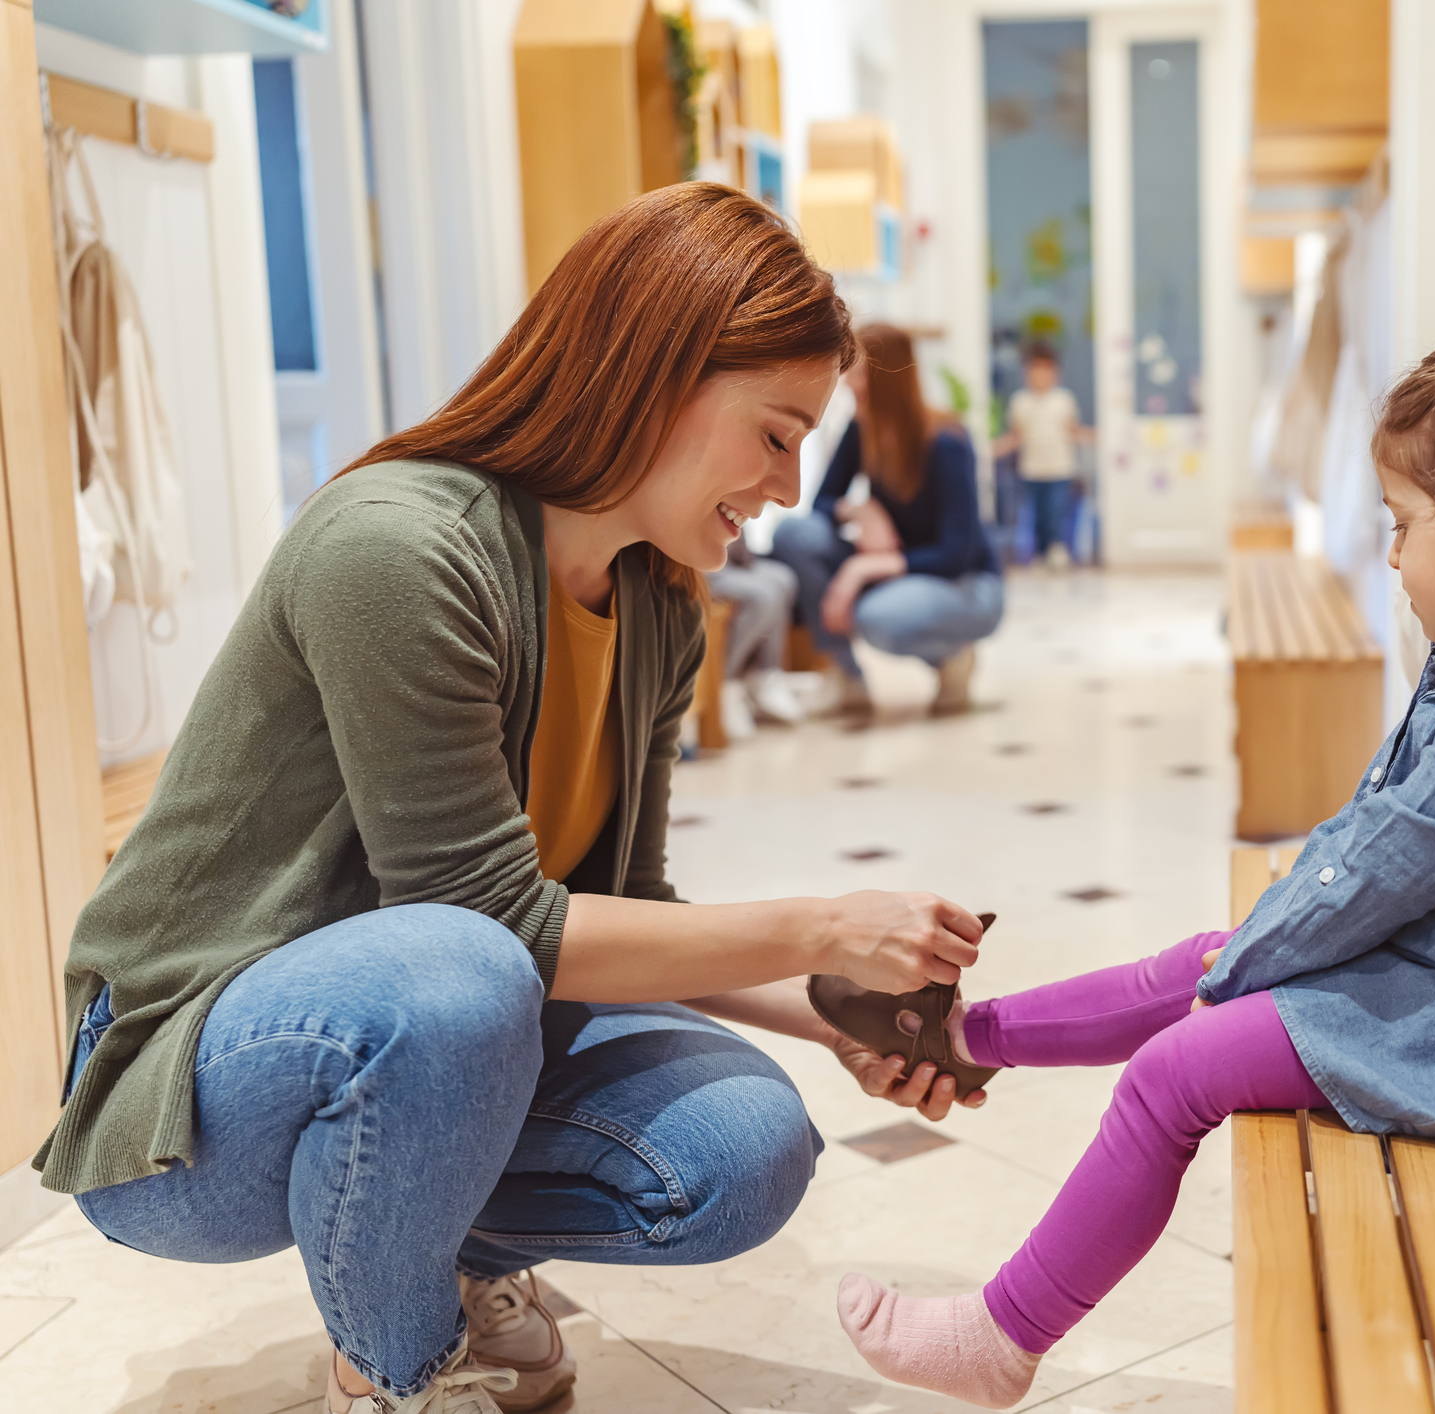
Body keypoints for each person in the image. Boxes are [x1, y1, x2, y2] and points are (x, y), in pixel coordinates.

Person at [34, 185, 992, 1414]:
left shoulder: (654, 604)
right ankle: (393, 1368)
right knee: (464, 971)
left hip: (426, 1026)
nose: (792, 482)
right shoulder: (399, 548)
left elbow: (624, 909)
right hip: (189, 1084)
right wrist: (819, 923)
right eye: (775, 430)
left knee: (743, 1146)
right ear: (659, 374)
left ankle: (458, 1259)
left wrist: (840, 1014)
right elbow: (484, 917)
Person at [824, 313, 1435, 1408]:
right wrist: (1251, 947)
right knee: (1202, 962)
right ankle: (964, 1037)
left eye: (1403, 525)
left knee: (1181, 1065)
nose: (1394, 553)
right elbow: (1379, 848)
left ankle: (1002, 1337)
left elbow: (1380, 869)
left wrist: (1253, 958)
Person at [769, 324, 1003, 718]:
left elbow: (955, 554)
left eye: (856, 374)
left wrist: (861, 569)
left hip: (965, 583)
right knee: (795, 534)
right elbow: (823, 503)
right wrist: (861, 510)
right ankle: (848, 677)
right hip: (898, 571)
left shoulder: (946, 441)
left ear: (886, 380)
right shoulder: (863, 430)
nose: (845, 385)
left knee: (878, 618)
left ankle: (951, 655)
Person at [994, 343, 1091, 569]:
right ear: (1026, 373)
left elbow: (1073, 430)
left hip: (1060, 468)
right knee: (1037, 514)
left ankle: (1056, 550)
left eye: (1046, 370)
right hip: (1032, 469)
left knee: (1056, 512)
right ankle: (1039, 552)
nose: (1040, 376)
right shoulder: (1020, 402)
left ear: (1055, 373)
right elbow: (1015, 436)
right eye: (1035, 370)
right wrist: (993, 449)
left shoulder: (1064, 400)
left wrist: (1097, 436)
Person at [709, 539, 807, 727]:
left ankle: (765, 675)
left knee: (784, 579)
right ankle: (726, 681)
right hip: (704, 567)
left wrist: (743, 558)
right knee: (764, 596)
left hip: (731, 560)